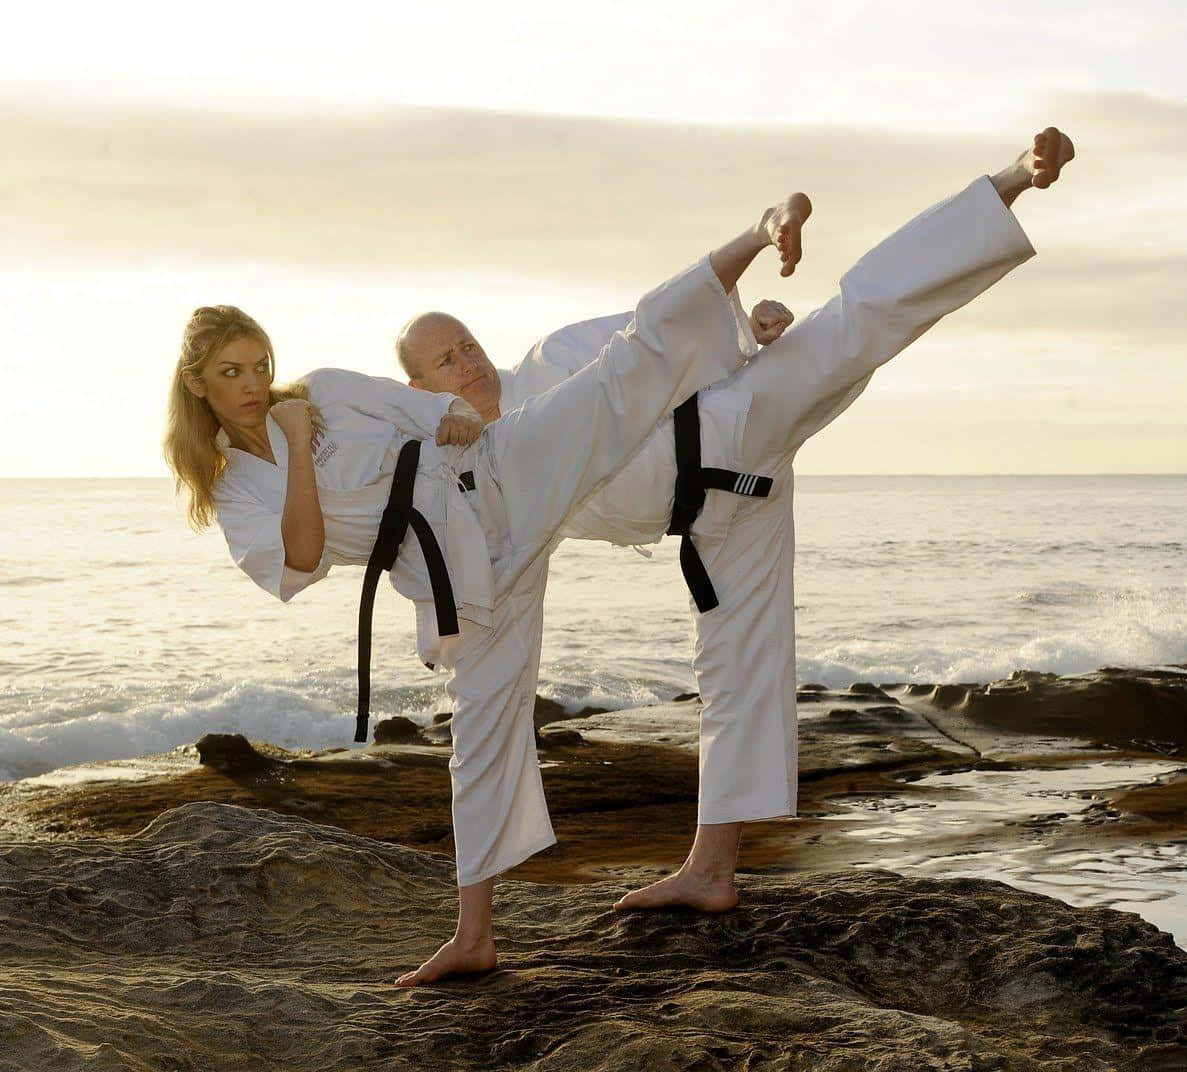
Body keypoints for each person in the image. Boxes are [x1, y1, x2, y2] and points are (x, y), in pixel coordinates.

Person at [395, 128, 1073, 928]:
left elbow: (660, 329)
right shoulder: (474, 477)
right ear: (418, 385)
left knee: (860, 321)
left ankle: (1012, 180)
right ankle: (711, 872)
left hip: (730, 428)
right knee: (737, 669)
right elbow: (466, 567)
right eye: (445, 361)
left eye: (467, 343)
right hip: (721, 520)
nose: (467, 361)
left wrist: (752, 325)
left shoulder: (548, 361)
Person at [163, 192, 813, 988]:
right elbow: (300, 560)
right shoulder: (233, 492)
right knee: (481, 734)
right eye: (232, 372)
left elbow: (429, 410)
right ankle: (474, 935)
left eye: (261, 364)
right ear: (198, 385)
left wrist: (462, 420)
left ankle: (756, 232)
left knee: (620, 374)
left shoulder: (326, 389)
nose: (255, 383)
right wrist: (299, 449)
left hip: (493, 485)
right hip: (455, 575)